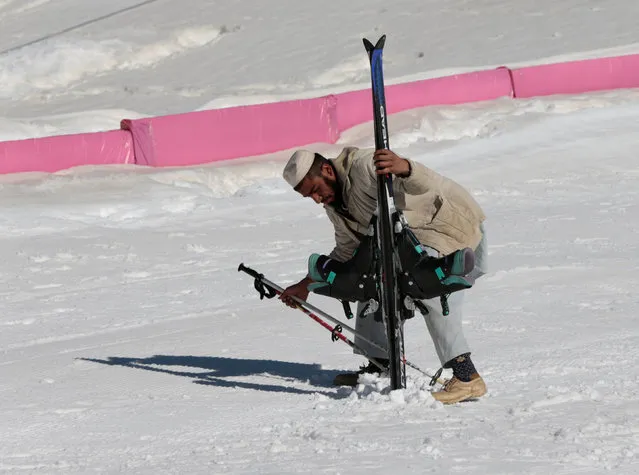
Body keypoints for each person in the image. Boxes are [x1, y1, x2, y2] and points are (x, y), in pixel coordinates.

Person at [279, 146, 488, 404]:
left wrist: (405, 167)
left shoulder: (365, 166)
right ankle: (381, 365)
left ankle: (467, 376)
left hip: (444, 226)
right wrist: (306, 285)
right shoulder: (336, 205)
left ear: (326, 170)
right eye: (308, 197)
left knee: (426, 282)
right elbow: (348, 251)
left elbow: (424, 186)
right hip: (409, 240)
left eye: (315, 190)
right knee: (369, 276)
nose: (317, 199)